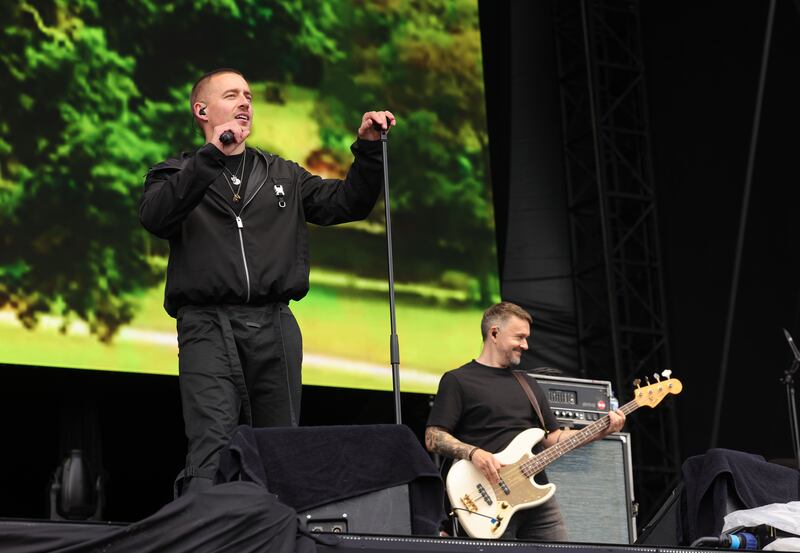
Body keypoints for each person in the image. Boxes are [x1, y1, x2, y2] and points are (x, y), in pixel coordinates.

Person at [139, 68, 395, 495]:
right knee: (213, 445)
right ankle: (208, 531)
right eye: (232, 95)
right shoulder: (174, 173)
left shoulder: (282, 174)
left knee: (279, 447)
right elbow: (156, 216)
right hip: (207, 324)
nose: (245, 102)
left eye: (249, 96)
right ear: (202, 111)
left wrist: (368, 151)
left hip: (274, 325)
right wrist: (211, 157)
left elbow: (346, 203)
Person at [425, 301, 625, 541]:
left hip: (536, 494)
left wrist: (599, 431)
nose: (525, 345)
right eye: (519, 337)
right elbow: (433, 436)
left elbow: (553, 437)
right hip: (486, 496)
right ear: (495, 333)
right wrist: (474, 453)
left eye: (527, 338)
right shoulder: (458, 380)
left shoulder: (528, 384)